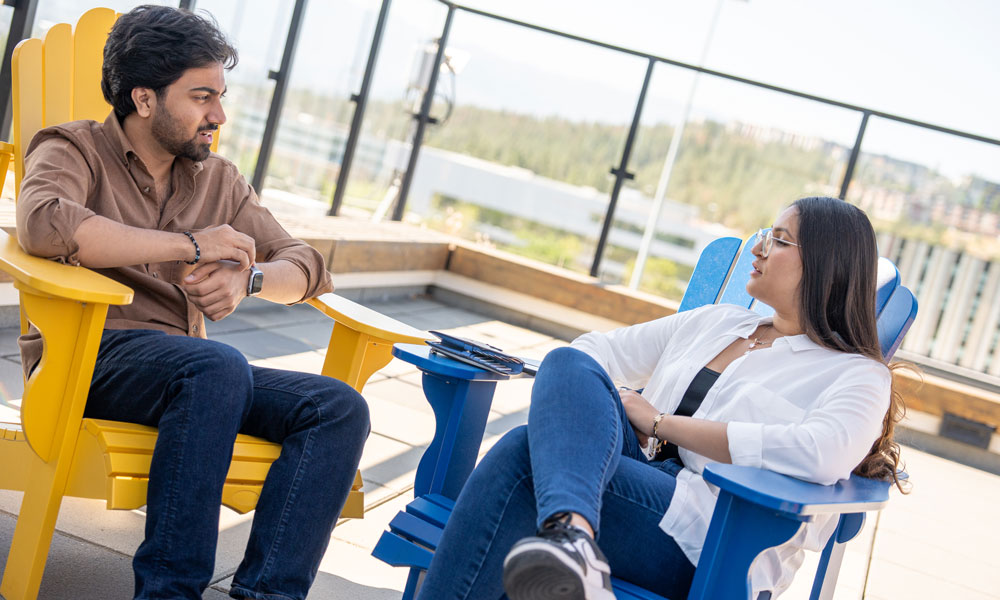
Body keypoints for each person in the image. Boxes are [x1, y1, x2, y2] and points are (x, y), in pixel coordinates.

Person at [15, 6, 369, 600]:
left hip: (195, 377)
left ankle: (266, 595)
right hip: (88, 359)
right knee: (216, 365)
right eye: (202, 97)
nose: (219, 116)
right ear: (145, 99)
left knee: (337, 408)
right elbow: (45, 225)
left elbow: (306, 265)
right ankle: (169, 592)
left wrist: (249, 280)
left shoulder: (218, 180)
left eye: (221, 96)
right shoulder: (72, 148)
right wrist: (191, 244)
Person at [414, 196, 907, 600]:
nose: (758, 249)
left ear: (826, 265)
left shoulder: (857, 376)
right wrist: (611, 416)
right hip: (627, 479)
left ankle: (571, 537)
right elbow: (593, 354)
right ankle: (574, 537)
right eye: (764, 235)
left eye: (778, 241)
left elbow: (818, 454)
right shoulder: (717, 321)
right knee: (570, 363)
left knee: (523, 456)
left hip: (711, 534)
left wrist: (658, 422)